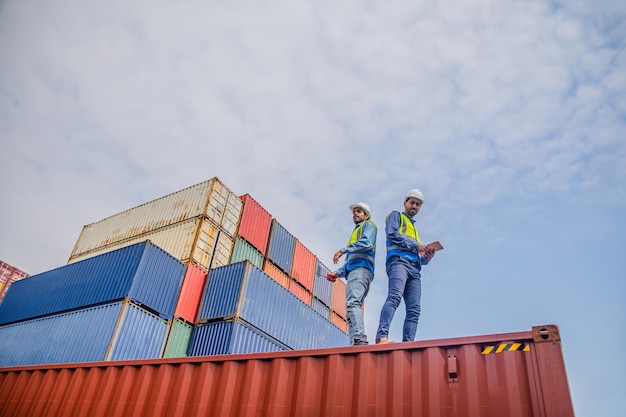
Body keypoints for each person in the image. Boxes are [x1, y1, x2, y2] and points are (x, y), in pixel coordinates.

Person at [375, 189, 436, 344]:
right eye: (412, 203)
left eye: (417, 204)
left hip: (415, 268)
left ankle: (408, 344)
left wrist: (425, 258)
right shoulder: (396, 216)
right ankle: (382, 336)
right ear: (405, 203)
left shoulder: (415, 229)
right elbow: (392, 235)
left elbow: (415, 252)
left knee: (414, 310)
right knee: (394, 297)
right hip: (399, 263)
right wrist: (417, 245)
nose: (414, 206)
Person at [327, 202, 378, 346]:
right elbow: (351, 262)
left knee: (352, 303)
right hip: (356, 271)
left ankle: (359, 339)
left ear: (366, 215)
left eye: (359, 211)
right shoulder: (356, 233)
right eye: (354, 212)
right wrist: (336, 273)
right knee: (350, 311)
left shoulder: (369, 226)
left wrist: (343, 250)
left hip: (361, 271)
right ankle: (354, 344)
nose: (355, 213)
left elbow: (366, 243)